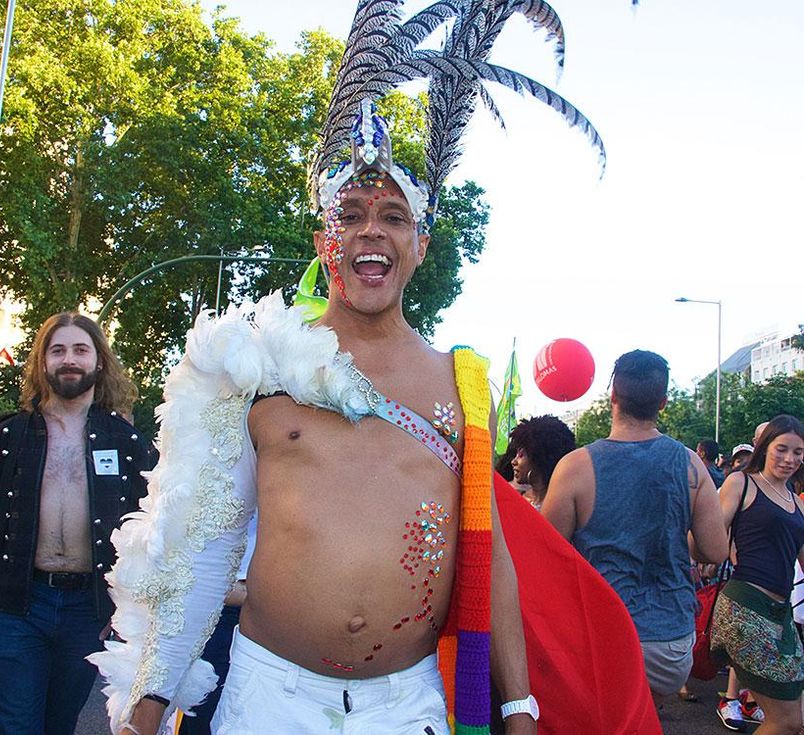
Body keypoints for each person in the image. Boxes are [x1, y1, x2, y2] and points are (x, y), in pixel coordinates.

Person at [92, 4, 670, 734]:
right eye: (352, 213)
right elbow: (208, 544)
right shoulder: (255, 365)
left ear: (420, 245)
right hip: (269, 698)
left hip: (408, 704)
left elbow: (486, 552)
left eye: (394, 216)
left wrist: (519, 704)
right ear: (323, 240)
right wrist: (148, 707)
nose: (372, 228)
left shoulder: (464, 383)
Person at [0, 312, 151, 735]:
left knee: (58, 725)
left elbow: (148, 533)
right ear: (43, 362)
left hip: (88, 611)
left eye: (80, 349)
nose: (69, 360)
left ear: (99, 361)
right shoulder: (10, 436)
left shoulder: (126, 442)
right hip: (17, 607)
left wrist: (137, 616)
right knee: (13, 726)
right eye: (57, 350)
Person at [542, 349, 728, 705]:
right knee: (646, 713)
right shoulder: (690, 463)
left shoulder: (576, 466)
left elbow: (548, 553)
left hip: (602, 634)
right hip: (670, 642)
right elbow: (715, 551)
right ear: (663, 403)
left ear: (612, 396)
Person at [711, 415, 804, 735]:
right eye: (782, 449)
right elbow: (710, 538)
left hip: (781, 616)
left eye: (798, 452)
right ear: (765, 448)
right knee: (786, 721)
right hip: (745, 608)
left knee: (796, 718)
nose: (790, 459)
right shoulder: (742, 482)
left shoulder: (796, 502)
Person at [507, 416, 576, 510]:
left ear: (538, 458)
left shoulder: (564, 506)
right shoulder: (512, 500)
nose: (513, 461)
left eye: (521, 455)